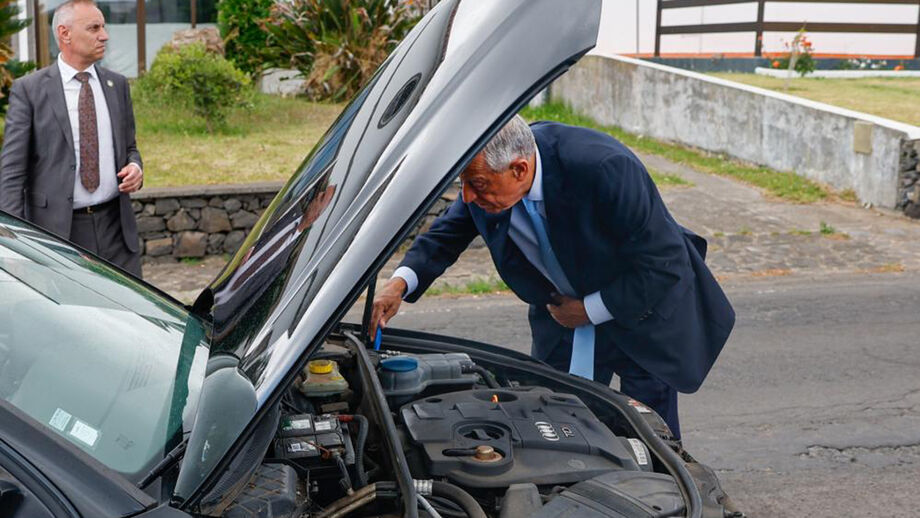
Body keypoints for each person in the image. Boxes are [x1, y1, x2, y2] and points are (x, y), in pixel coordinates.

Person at [370, 115, 735, 439]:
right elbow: (445, 235)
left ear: (520, 170)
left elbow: (664, 263)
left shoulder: (604, 168)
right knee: (547, 416)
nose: (467, 196)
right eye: (463, 183)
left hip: (638, 312)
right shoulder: (484, 185)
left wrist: (589, 310)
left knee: (647, 428)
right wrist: (398, 284)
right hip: (560, 315)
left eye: (477, 184)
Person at [0, 0, 144, 276]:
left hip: (117, 229)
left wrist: (136, 167)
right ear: (64, 34)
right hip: (58, 233)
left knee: (129, 316)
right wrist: (13, 241)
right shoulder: (29, 91)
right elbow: (12, 173)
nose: (105, 35)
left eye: (103, 27)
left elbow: (130, 148)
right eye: (94, 28)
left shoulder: (118, 85)